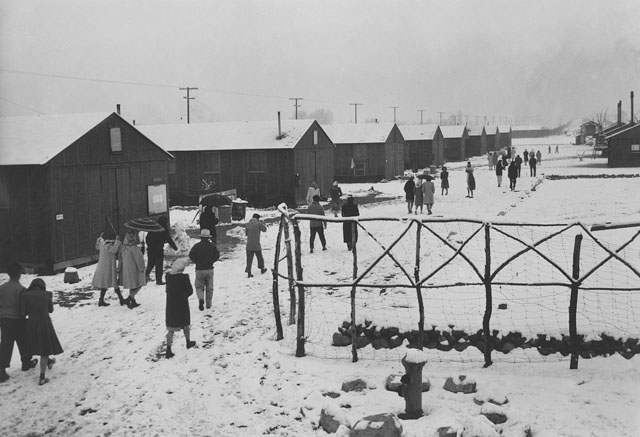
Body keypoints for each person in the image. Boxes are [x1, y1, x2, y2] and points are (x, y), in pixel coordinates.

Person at [21, 278, 63, 386]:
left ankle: (49, 362)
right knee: (44, 350)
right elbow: (51, 310)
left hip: (31, 324)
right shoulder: (47, 294)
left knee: (36, 345)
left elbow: (23, 312)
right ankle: (42, 377)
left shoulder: (26, 295)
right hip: (45, 323)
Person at [0, 263, 37, 383]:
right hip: (18, 319)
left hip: (5, 319)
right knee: (23, 340)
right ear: (19, 274)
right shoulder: (21, 289)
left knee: (6, 344)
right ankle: (26, 362)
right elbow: (24, 306)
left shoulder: (2, 287)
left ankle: (1, 370)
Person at [164, 258, 196, 359]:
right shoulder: (184, 277)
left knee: (171, 329)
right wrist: (183, 295)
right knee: (185, 324)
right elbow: (190, 291)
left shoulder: (168, 277)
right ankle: (188, 342)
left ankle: (168, 349)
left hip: (171, 306)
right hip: (182, 305)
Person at [189, 229, 220, 311]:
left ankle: (201, 299)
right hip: (209, 269)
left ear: (201, 237)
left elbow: (191, 255)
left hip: (199, 269)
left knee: (199, 286)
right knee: (209, 287)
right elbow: (217, 255)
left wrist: (196, 262)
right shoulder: (212, 246)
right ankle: (209, 304)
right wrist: (211, 261)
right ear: (208, 237)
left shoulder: (196, 246)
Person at [92, 232, 125, 306]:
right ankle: (121, 299)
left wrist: (99, 239)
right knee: (114, 283)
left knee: (104, 284)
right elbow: (114, 249)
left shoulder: (102, 244)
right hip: (109, 267)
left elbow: (97, 247)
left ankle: (101, 300)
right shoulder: (108, 246)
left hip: (103, 267)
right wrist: (118, 240)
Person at [145, 216, 178, 285]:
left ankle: (144, 276)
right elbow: (168, 239)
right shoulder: (163, 229)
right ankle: (159, 280)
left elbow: (147, 238)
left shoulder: (153, 227)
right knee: (159, 265)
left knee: (150, 264)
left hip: (151, 249)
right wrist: (175, 247)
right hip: (158, 250)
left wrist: (150, 246)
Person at [119, 230, 147, 309]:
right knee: (140, 284)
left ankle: (132, 300)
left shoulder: (123, 247)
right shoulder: (133, 247)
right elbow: (139, 258)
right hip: (135, 269)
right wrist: (142, 268)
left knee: (133, 284)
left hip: (126, 269)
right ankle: (130, 298)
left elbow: (120, 258)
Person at [245, 213, 267, 278]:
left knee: (249, 259)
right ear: (258, 218)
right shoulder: (258, 224)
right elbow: (265, 230)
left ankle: (249, 272)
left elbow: (246, 233)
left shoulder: (248, 224)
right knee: (259, 257)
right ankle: (262, 268)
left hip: (249, 245)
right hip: (256, 244)